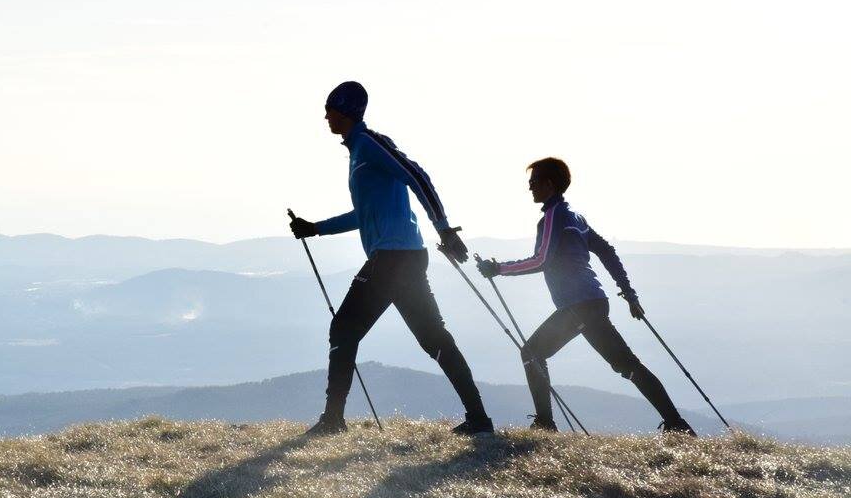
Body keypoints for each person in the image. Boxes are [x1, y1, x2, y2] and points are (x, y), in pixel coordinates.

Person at [289, 81, 494, 438]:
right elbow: (363, 213)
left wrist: (444, 228)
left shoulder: (370, 144)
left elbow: (418, 175)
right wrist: (315, 228)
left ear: (347, 111)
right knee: (433, 338)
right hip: (405, 258)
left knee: (344, 329)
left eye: (330, 109)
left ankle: (333, 420)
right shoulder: (358, 151)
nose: (325, 116)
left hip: (393, 260)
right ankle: (479, 419)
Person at [477, 157, 696, 435]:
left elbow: (541, 260)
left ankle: (545, 425)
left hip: (577, 305)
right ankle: (677, 425)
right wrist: (628, 293)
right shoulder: (576, 218)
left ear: (549, 184)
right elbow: (607, 251)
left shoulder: (553, 218)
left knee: (532, 352)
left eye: (533, 183)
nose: (529, 189)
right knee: (626, 365)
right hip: (592, 302)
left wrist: (498, 269)